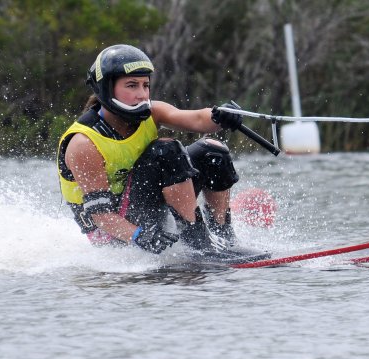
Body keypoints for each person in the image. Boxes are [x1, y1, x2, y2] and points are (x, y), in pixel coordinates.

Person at [57, 44, 253, 258]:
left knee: (213, 151)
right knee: (166, 150)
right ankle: (199, 246)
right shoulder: (84, 144)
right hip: (114, 232)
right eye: (131, 86)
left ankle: (225, 238)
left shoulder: (153, 112)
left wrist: (220, 115)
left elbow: (197, 119)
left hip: (145, 206)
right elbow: (101, 216)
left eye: (145, 85)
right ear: (106, 88)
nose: (142, 95)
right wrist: (141, 236)